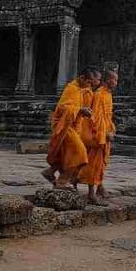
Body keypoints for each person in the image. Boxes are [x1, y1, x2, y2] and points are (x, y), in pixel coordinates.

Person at [42, 68, 97, 189]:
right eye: (89, 82)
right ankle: (62, 182)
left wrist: (82, 110)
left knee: (67, 154)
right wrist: (81, 110)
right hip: (64, 125)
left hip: (72, 125)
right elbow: (64, 107)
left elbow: (76, 106)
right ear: (82, 78)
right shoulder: (71, 88)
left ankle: (50, 172)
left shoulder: (80, 89)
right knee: (80, 153)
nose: (90, 85)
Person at [81, 69, 117, 205]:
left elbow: (107, 116)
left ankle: (100, 187)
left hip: (106, 133)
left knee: (102, 163)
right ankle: (91, 194)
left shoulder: (108, 94)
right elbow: (94, 117)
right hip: (99, 135)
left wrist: (111, 129)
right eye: (114, 79)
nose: (116, 83)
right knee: (94, 163)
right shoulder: (99, 94)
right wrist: (103, 133)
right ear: (108, 80)